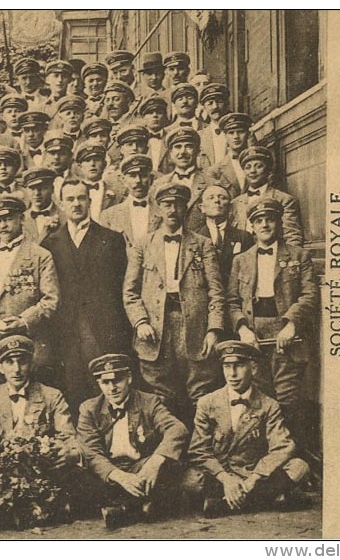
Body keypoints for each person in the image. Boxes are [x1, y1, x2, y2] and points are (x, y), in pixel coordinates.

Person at [123, 183, 225, 424]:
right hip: (155, 330)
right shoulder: (143, 244)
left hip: (194, 328)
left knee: (200, 392)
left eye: (178, 205)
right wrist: (140, 322)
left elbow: (216, 292)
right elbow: (130, 292)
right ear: (158, 209)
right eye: (167, 204)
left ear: (185, 209)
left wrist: (213, 329)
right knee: (161, 396)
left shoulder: (202, 244)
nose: (172, 210)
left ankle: (201, 444)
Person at [183, 341, 310, 517]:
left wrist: (254, 478)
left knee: (299, 467)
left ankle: (225, 504)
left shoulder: (268, 405)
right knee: (190, 480)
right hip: (220, 475)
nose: (232, 374)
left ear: (253, 368)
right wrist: (226, 479)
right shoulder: (207, 403)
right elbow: (198, 451)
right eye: (227, 366)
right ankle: (266, 499)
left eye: (239, 366)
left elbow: (282, 447)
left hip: (253, 474)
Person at [226, 198, 318, 439]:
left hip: (285, 334)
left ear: (278, 223)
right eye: (259, 221)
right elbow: (232, 302)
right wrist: (243, 329)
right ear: (252, 226)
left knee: (288, 397)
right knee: (258, 396)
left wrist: (292, 324)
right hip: (253, 335)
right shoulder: (240, 260)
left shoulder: (299, 256)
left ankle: (291, 452)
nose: (264, 225)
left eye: (270, 219)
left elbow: (309, 294)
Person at [42, 180, 130, 412]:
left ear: (90, 201)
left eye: (81, 198)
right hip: (66, 331)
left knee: (106, 387)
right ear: (61, 204)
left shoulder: (111, 239)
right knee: (72, 388)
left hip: (103, 329)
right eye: (70, 199)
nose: (76, 204)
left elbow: (122, 288)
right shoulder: (50, 244)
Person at [77, 353, 189, 529]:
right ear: (99, 383)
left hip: (141, 469)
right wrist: (119, 476)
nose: (112, 388)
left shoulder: (149, 402)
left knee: (169, 466)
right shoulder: (89, 409)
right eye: (105, 382)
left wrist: (155, 462)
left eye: (117, 380)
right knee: (79, 474)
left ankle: (123, 509)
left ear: (129, 378)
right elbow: (91, 452)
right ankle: (139, 508)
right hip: (110, 472)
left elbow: (177, 429)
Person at [0, 194, 60, 390]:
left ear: (21, 219)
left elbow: (51, 300)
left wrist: (23, 321)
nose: (3, 226)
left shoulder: (40, 256)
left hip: (24, 340)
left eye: (8, 219)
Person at [0, 335, 80, 466]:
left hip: (44, 466)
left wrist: (68, 452)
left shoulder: (51, 395)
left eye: (22, 362)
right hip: (4, 467)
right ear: (0, 368)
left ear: (31, 365)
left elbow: (68, 437)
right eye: (9, 362)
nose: (16, 369)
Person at [228, 146, 304, 247]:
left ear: (268, 170)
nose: (252, 171)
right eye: (248, 167)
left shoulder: (284, 200)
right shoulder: (235, 203)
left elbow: (292, 237)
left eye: (258, 166)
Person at [160, 127, 227, 232]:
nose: (183, 152)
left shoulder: (211, 183)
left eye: (188, 146)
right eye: (178, 147)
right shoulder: (159, 184)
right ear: (170, 153)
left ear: (197, 151)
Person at [193, 184, 254, 288]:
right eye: (211, 198)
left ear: (230, 207)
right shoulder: (194, 237)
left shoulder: (244, 237)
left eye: (222, 198)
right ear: (202, 207)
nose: (217, 201)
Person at [100, 155, 162, 248]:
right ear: (124, 180)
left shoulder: (163, 212)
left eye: (143, 175)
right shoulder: (109, 216)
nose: (138, 180)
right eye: (132, 176)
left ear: (151, 179)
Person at [208, 112, 255, 193]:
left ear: (248, 134)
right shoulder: (216, 171)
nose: (236, 136)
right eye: (231, 133)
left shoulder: (259, 164)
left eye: (240, 132)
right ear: (225, 136)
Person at [21, 167, 65, 243]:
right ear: (27, 190)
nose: (37, 193)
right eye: (32, 188)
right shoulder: (21, 219)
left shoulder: (64, 217)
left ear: (52, 189)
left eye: (42, 188)